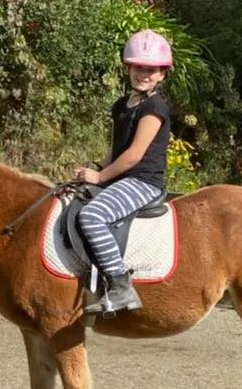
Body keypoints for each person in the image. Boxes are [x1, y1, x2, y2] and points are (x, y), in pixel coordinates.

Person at [73, 29, 173, 314]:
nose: (144, 73)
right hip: (121, 178)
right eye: (138, 67)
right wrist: (96, 170)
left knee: (91, 216)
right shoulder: (121, 105)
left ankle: (120, 286)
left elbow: (134, 155)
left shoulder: (155, 107)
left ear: (162, 74)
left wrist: (101, 178)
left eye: (151, 69)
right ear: (128, 68)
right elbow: (117, 150)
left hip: (142, 182)